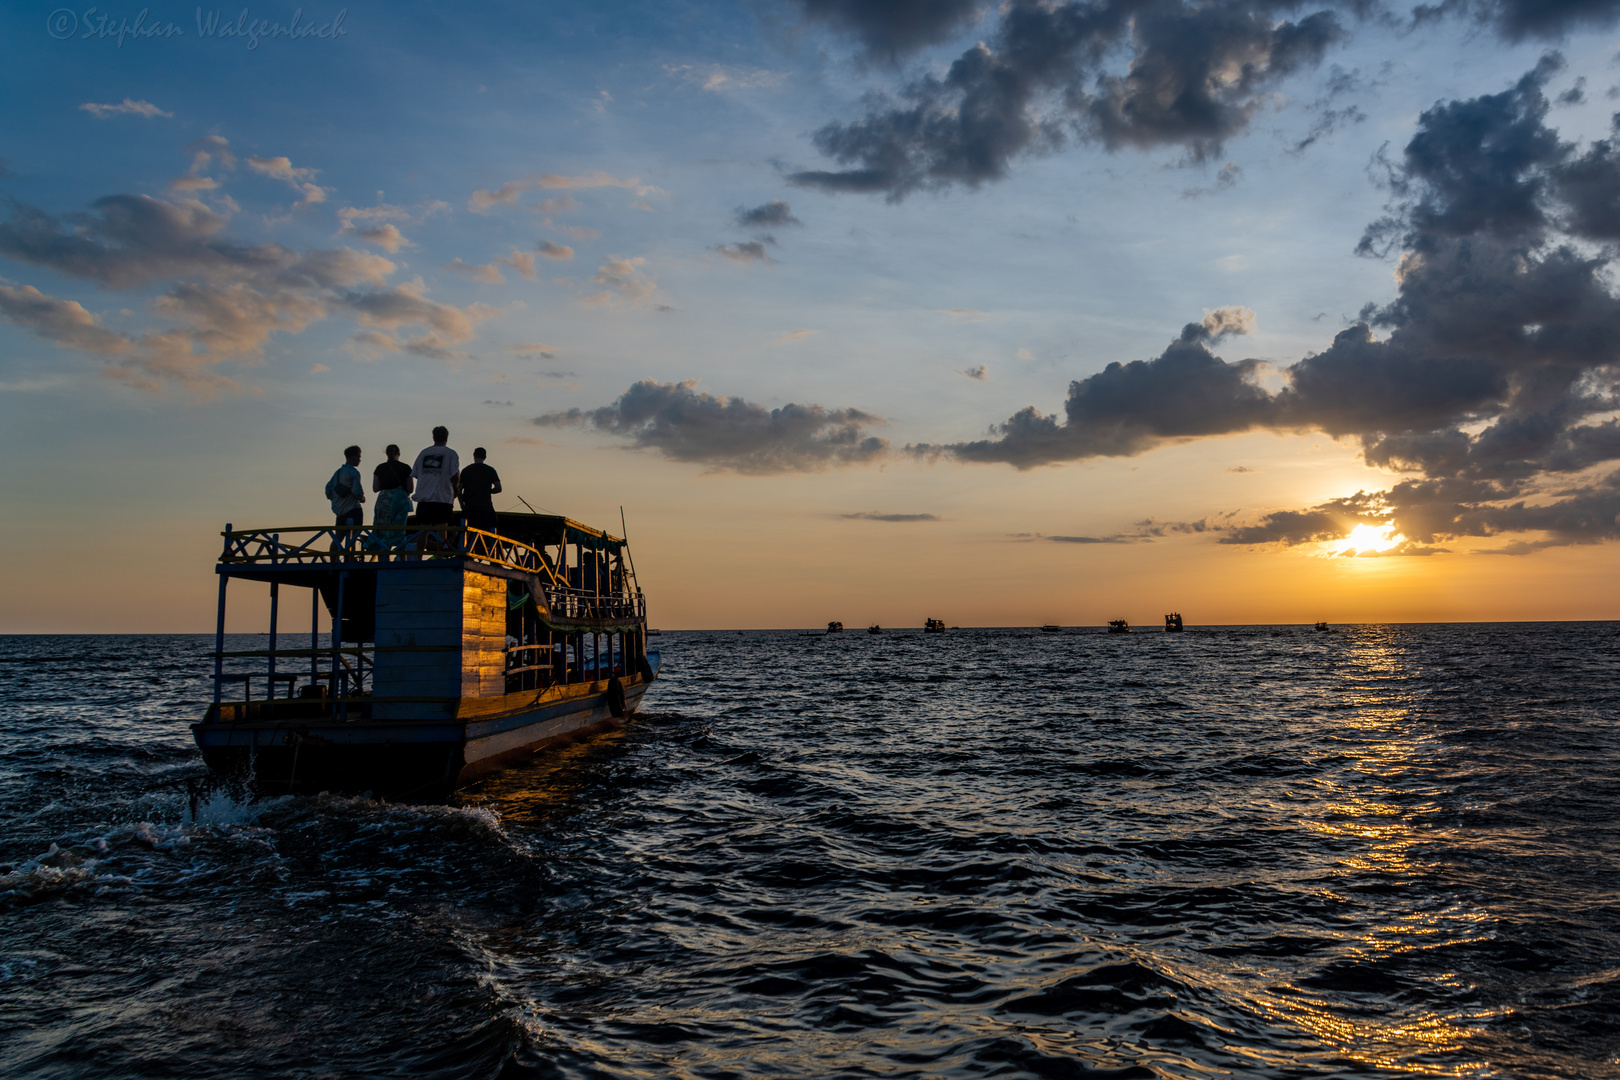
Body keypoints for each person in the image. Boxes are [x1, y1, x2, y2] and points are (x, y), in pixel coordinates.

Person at [410, 426, 460, 527]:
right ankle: (440, 543)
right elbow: (455, 475)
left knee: (422, 530)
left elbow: (415, 473)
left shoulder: (424, 453)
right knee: (441, 530)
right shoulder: (451, 454)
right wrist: (456, 489)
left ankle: (422, 543)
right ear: (447, 437)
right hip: (443, 498)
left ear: (433, 437)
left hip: (424, 497)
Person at [370, 443, 414, 548]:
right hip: (400, 500)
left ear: (386, 454)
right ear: (399, 454)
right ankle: (402, 558)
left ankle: (382, 559)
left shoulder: (380, 468)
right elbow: (410, 489)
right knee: (399, 530)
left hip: (383, 500)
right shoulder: (406, 468)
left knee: (381, 531)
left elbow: (375, 488)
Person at [458, 447, 502, 533]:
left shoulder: (466, 470)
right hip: (485, 506)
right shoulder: (490, 470)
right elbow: (498, 488)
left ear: (474, 456)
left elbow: (459, 490)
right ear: (485, 457)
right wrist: (487, 491)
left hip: (469, 506)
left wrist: (462, 505)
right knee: (491, 528)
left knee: (466, 531)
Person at [325, 445, 366, 534]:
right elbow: (357, 492)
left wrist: (335, 498)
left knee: (338, 538)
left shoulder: (337, 473)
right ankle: (352, 548)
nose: (359, 460)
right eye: (358, 457)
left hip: (340, 512)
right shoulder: (353, 472)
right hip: (353, 510)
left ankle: (334, 549)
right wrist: (362, 498)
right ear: (353, 457)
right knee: (354, 537)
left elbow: (328, 491)